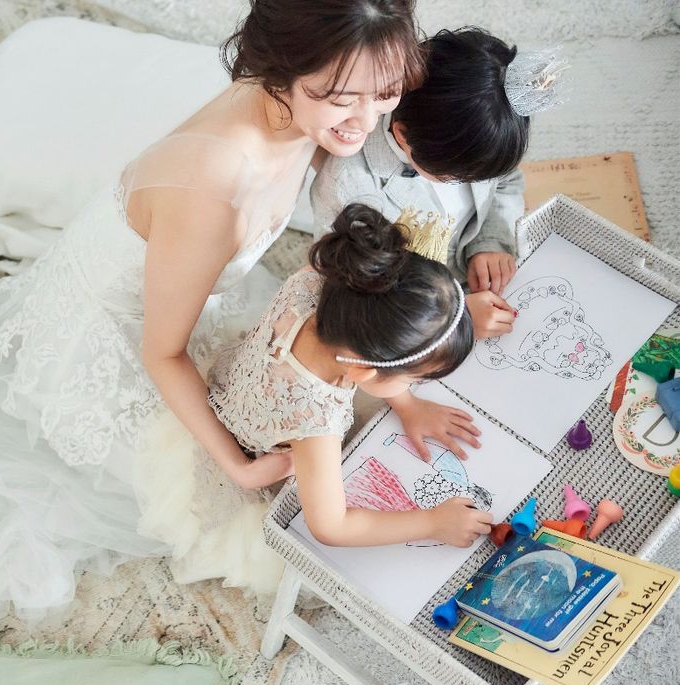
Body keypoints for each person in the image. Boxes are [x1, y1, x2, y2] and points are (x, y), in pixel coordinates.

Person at [0, 0, 425, 632]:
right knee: (255, 529)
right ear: (283, 68)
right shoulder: (213, 187)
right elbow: (162, 353)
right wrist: (236, 466)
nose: (367, 120)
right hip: (120, 342)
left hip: (183, 282)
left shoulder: (306, 103)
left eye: (384, 94)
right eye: (340, 99)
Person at [140, 203, 492, 596]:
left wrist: (409, 405)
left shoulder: (324, 282)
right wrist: (432, 523)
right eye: (413, 379)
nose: (412, 385)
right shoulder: (315, 420)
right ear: (363, 371)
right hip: (263, 448)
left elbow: (378, 338)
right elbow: (331, 526)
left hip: (244, 379)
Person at [311, 27, 568, 339]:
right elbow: (360, 296)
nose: (465, 184)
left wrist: (489, 241)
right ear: (403, 135)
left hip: (475, 283)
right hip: (416, 318)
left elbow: (506, 182)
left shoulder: (480, 138)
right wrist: (453, 315)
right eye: (454, 178)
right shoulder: (348, 188)